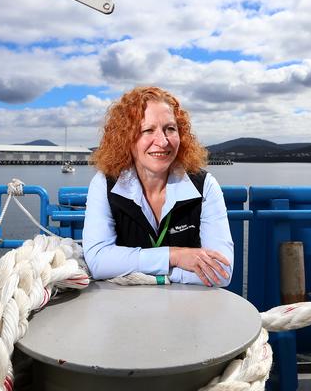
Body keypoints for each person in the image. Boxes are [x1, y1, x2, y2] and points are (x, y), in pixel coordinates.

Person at [82, 86, 233, 287]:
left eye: (170, 129)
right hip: (123, 308)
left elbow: (221, 272)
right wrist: (175, 256)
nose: (162, 142)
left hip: (189, 309)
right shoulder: (105, 184)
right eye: (148, 130)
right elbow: (98, 261)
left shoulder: (204, 186)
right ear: (126, 138)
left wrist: (145, 273)